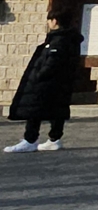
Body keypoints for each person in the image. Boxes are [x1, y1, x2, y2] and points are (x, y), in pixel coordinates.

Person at [7, 10, 82, 153]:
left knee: (35, 110)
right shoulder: (68, 39)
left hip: (47, 83)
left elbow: (52, 62)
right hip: (59, 83)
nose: (48, 23)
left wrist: (39, 76)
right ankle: (54, 139)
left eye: (49, 20)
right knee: (56, 109)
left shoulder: (59, 40)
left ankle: (30, 140)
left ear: (55, 21)